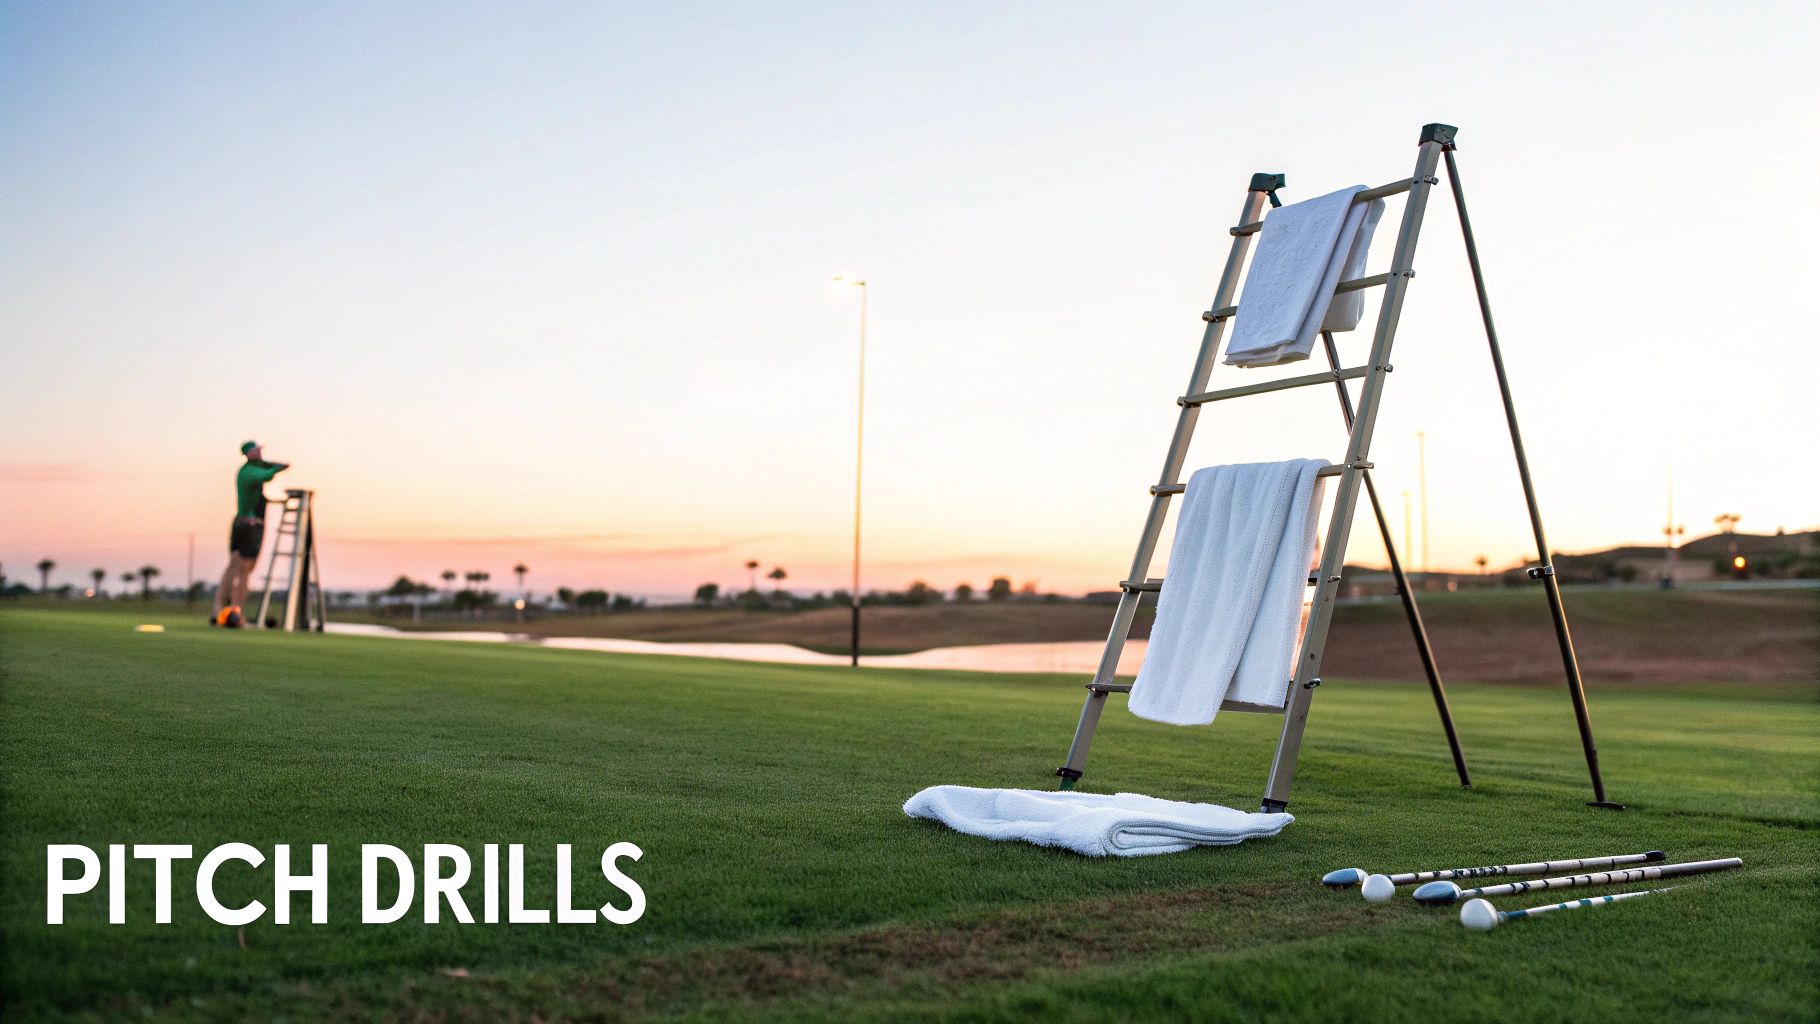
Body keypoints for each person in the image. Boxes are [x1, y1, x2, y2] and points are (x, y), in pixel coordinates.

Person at [212, 441, 289, 626]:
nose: (260, 453)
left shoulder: (250, 469)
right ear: (249, 453)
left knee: (237, 566)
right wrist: (275, 467)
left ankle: (221, 611)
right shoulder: (249, 473)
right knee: (242, 568)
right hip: (249, 526)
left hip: (243, 524)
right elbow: (269, 474)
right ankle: (232, 611)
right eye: (257, 451)